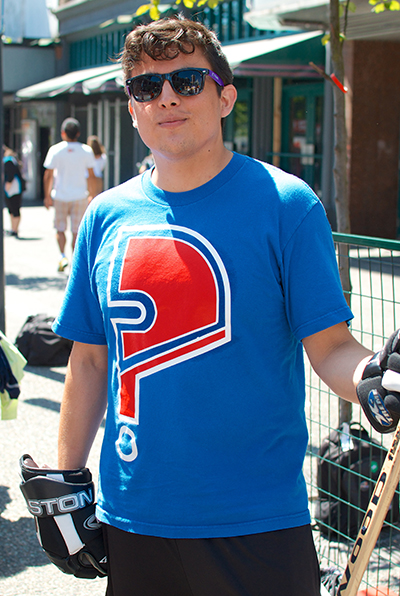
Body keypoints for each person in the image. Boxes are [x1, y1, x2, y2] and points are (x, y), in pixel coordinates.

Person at [50, 17, 400, 596]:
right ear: (132, 110)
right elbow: (88, 362)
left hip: (257, 523)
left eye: (187, 81)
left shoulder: (288, 205)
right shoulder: (104, 217)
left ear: (225, 97)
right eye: (146, 87)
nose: (166, 97)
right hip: (134, 519)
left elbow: (332, 347)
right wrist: (66, 479)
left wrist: (370, 378)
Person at [43, 117, 96, 272]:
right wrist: (92, 194)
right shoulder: (86, 150)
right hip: (80, 195)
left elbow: (48, 174)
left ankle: (62, 256)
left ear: (63, 133)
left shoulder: (55, 150)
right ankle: (74, 261)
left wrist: (47, 196)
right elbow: (92, 175)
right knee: (76, 230)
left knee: (60, 229)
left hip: (60, 195)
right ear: (78, 133)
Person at [3, 145, 25, 237]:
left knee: (14, 209)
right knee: (11, 210)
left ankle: (15, 229)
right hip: (14, 189)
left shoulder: (8, 161)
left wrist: (7, 186)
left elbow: (10, 175)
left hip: (13, 189)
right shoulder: (12, 160)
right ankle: (13, 229)